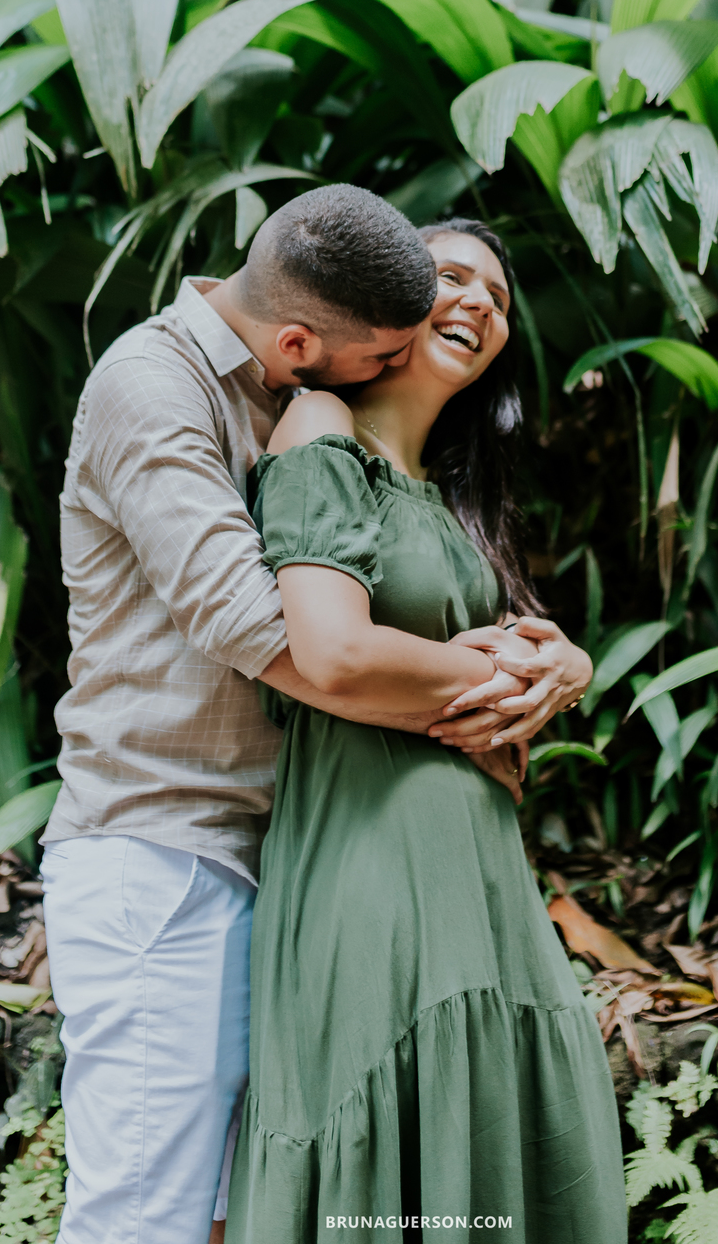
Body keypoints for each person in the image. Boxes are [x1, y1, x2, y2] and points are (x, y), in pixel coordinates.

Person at [40, 186, 589, 1244]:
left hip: (290, 855)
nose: (388, 366)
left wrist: (563, 661)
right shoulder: (156, 384)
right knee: (145, 1216)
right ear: (305, 339)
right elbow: (286, 639)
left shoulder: (287, 382)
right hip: (168, 849)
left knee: (251, 1216)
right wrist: (497, 687)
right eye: (381, 352)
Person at [224, 217, 625, 1243]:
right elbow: (337, 653)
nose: (480, 303)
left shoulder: (453, 507)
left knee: (497, 1156)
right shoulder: (320, 430)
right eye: (451, 278)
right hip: (377, 870)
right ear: (386, 306)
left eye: (497, 297)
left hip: (484, 879)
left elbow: (516, 694)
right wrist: (514, 670)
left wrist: (567, 670)